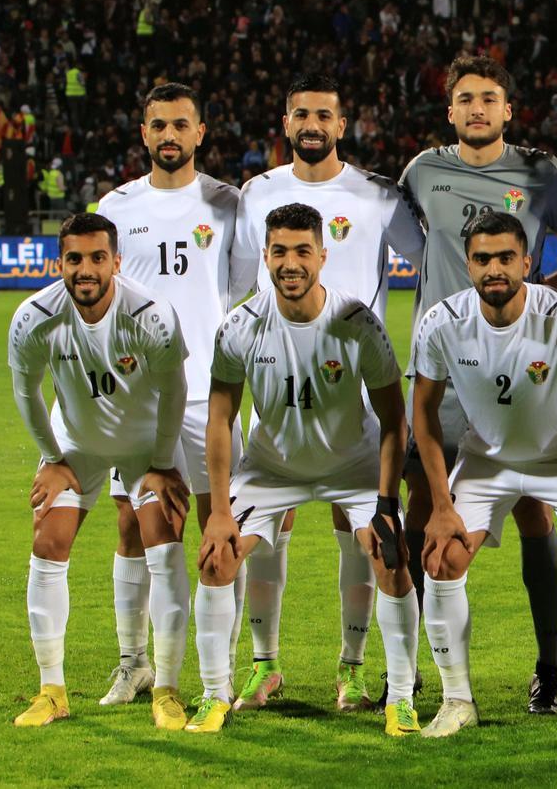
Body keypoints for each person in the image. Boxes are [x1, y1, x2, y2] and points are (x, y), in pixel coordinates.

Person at [229, 72, 425, 713]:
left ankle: (354, 671)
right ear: (286, 123)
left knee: (361, 533)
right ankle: (265, 667)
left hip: (357, 390)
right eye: (300, 113)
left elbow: (433, 263)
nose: (312, 124)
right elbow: (236, 279)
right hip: (280, 385)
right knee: (269, 523)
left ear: (343, 126)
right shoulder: (257, 193)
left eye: (325, 115)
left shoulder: (376, 194)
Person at [184, 203, 418, 736]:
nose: (291, 263)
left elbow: (392, 419)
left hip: (353, 466)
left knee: (391, 557)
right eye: (280, 251)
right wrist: (220, 510)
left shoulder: (358, 323)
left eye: (302, 251)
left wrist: (385, 506)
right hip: (271, 468)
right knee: (217, 559)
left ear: (322, 255)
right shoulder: (240, 326)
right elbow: (219, 420)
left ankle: (396, 697)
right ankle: (214, 694)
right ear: (265, 256)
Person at [399, 56, 557, 714]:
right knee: (428, 512)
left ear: (508, 110)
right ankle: (413, 669)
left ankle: (550, 669)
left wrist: (547, 294)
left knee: (534, 508)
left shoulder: (540, 174)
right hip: (445, 370)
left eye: (490, 98)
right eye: (466, 98)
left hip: (520, 361)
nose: (477, 108)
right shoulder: (423, 172)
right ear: (450, 111)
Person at [412, 211, 557, 740]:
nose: (494, 269)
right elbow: (422, 413)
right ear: (467, 264)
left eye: (506, 258)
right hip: (487, 460)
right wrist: (442, 507)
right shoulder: (441, 322)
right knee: (441, 557)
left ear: (527, 263)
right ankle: (457, 699)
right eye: (483, 258)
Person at [8, 213, 193, 729]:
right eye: (74, 259)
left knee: (164, 544)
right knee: (48, 543)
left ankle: (168, 690)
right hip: (76, 449)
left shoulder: (151, 315)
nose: (84, 270)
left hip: (143, 450)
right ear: (59, 263)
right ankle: (52, 691)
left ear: (115, 260)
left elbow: (175, 391)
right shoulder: (34, 316)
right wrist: (51, 458)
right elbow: (26, 391)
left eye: (96, 258)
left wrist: (160, 464)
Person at [94, 82, 245, 708]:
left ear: (201, 132)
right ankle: (133, 664)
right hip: (140, 396)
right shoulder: (117, 205)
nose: (169, 137)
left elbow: (236, 293)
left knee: (219, 532)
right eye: (158, 125)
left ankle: (221, 672)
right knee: (132, 526)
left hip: (209, 394)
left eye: (181, 125)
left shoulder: (228, 205)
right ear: (143, 132)